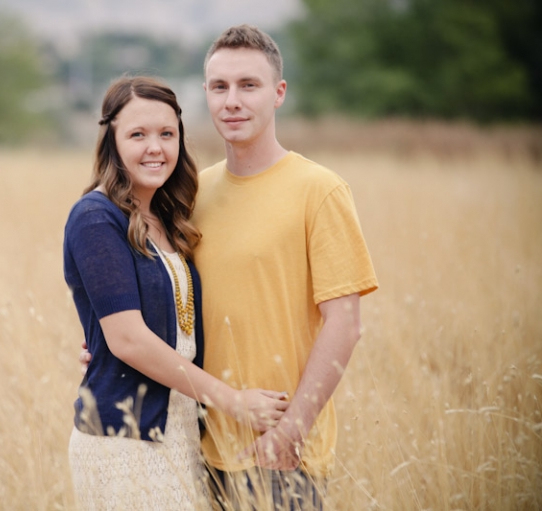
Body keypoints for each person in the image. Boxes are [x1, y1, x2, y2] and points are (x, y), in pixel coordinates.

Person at [81, 27, 379, 510]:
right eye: (219, 87)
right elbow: (169, 297)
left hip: (282, 452)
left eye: (249, 85)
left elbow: (345, 322)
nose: (232, 101)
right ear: (206, 95)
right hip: (199, 445)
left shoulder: (319, 190)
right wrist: (109, 343)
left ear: (278, 93)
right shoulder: (192, 195)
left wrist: (292, 429)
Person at [63, 75, 288, 510]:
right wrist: (234, 401)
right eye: (138, 135)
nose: (156, 148)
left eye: (167, 134)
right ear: (111, 142)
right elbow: (127, 339)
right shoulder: (96, 216)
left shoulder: (169, 217)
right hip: (124, 442)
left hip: (182, 435)